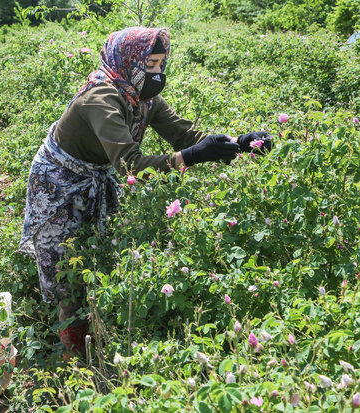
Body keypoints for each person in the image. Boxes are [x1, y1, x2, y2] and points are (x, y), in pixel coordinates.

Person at [18, 27, 273, 358]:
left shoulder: (141, 96)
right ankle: (74, 359)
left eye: (160, 64)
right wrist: (193, 157)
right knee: (66, 273)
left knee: (100, 254)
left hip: (95, 174)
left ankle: (99, 332)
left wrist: (237, 143)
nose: (156, 73)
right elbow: (131, 166)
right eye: (150, 64)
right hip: (60, 181)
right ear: (129, 60)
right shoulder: (102, 96)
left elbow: (185, 136)